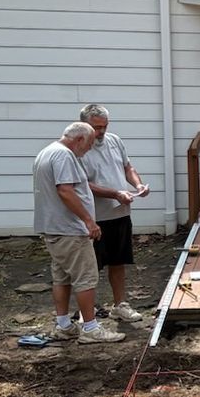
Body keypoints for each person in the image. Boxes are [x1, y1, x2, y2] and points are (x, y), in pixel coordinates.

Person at [31, 122, 124, 343]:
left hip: (54, 228)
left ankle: (64, 325)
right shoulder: (64, 156)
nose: (90, 148)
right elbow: (65, 190)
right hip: (69, 229)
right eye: (89, 143)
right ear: (79, 139)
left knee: (61, 277)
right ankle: (90, 329)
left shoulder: (46, 152)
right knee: (86, 277)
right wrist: (89, 221)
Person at [78, 103, 148, 323]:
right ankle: (86, 314)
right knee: (90, 267)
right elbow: (83, 184)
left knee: (118, 262)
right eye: (96, 127)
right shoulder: (78, 149)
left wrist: (138, 185)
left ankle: (120, 305)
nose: (100, 132)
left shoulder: (115, 141)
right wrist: (115, 193)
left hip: (119, 213)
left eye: (104, 127)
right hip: (94, 217)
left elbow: (128, 167)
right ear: (83, 125)